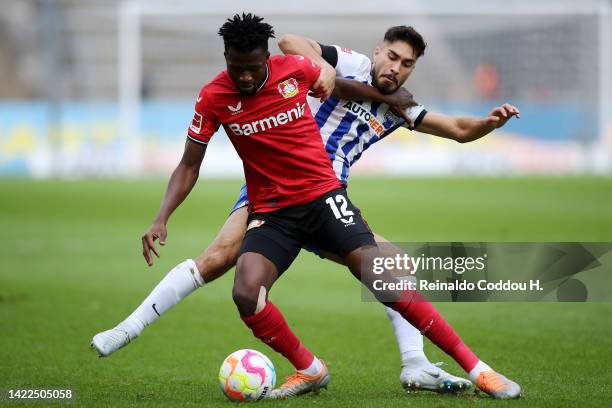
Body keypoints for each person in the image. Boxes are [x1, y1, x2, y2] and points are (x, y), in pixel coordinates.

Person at [92, 14, 520, 400]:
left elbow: (460, 129)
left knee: (394, 267)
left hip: (327, 195)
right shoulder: (346, 66)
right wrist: (366, 87)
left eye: (406, 63)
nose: (395, 67)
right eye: (391, 56)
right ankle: (129, 328)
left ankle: (415, 365)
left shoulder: (402, 107)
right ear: (377, 51)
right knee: (221, 259)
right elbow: (295, 46)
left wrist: (488, 123)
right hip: (272, 192)